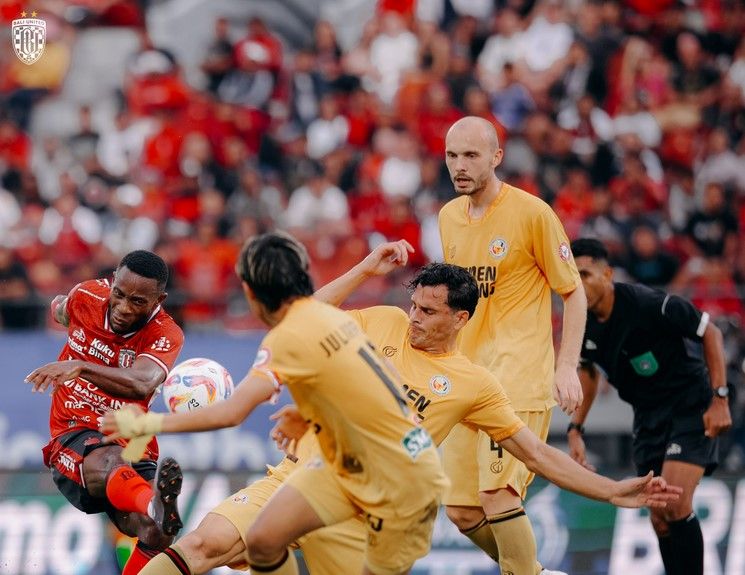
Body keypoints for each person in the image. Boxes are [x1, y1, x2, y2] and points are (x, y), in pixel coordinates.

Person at [105, 239, 682, 575]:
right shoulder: (381, 322)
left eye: (430, 312)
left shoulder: (472, 384)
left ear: (461, 318)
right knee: (204, 546)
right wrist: (363, 271)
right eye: (414, 305)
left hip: (374, 511)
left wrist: (611, 489)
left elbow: (536, 453)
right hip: (302, 476)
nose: (415, 318)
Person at [101, 231, 448, 575]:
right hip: (341, 467)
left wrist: (149, 424)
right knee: (254, 541)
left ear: (250, 293)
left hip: (399, 481)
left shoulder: (290, 336)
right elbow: (382, 382)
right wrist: (314, 415)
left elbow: (231, 412)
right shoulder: (333, 321)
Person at [438, 115, 587, 575]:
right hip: (467, 380)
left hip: (517, 381)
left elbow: (574, 292)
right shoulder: (448, 218)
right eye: (452, 156)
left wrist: (566, 367)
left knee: (497, 494)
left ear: (497, 157)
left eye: (471, 155)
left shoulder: (532, 214)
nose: (459, 166)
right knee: (462, 510)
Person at [568, 238, 732, 575]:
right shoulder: (580, 322)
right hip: (647, 415)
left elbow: (710, 332)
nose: (578, 283)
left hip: (689, 404)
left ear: (608, 273)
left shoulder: (647, 303)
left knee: (673, 502)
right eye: (572, 275)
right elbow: (587, 370)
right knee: (658, 516)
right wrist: (576, 428)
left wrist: (720, 398)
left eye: (585, 274)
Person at [24, 250, 186, 575]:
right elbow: (62, 308)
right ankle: (153, 502)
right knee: (113, 461)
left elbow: (142, 383)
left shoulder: (166, 334)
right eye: (119, 294)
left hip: (133, 442)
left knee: (158, 532)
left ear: (159, 299)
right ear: (112, 281)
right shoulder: (86, 295)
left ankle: (154, 508)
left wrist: (80, 366)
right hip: (74, 431)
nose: (124, 308)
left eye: (138, 301)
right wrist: (60, 310)